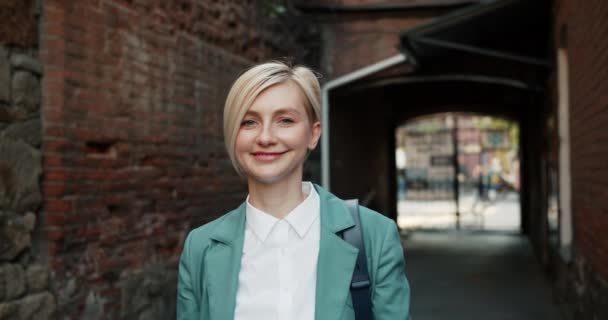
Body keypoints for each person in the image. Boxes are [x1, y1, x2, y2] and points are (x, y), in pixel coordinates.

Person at [177, 61, 411, 320]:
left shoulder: (374, 235)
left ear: (313, 134)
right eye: (249, 122)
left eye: (285, 120)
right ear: (233, 135)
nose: (265, 137)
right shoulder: (200, 247)